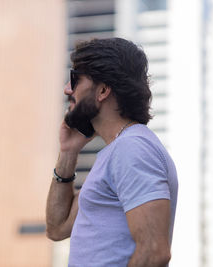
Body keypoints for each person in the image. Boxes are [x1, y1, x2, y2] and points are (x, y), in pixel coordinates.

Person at [45, 38, 178, 267]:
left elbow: (154, 252)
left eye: (75, 79)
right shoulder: (116, 151)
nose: (68, 88)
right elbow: (57, 228)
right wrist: (68, 152)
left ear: (104, 90)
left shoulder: (132, 148)